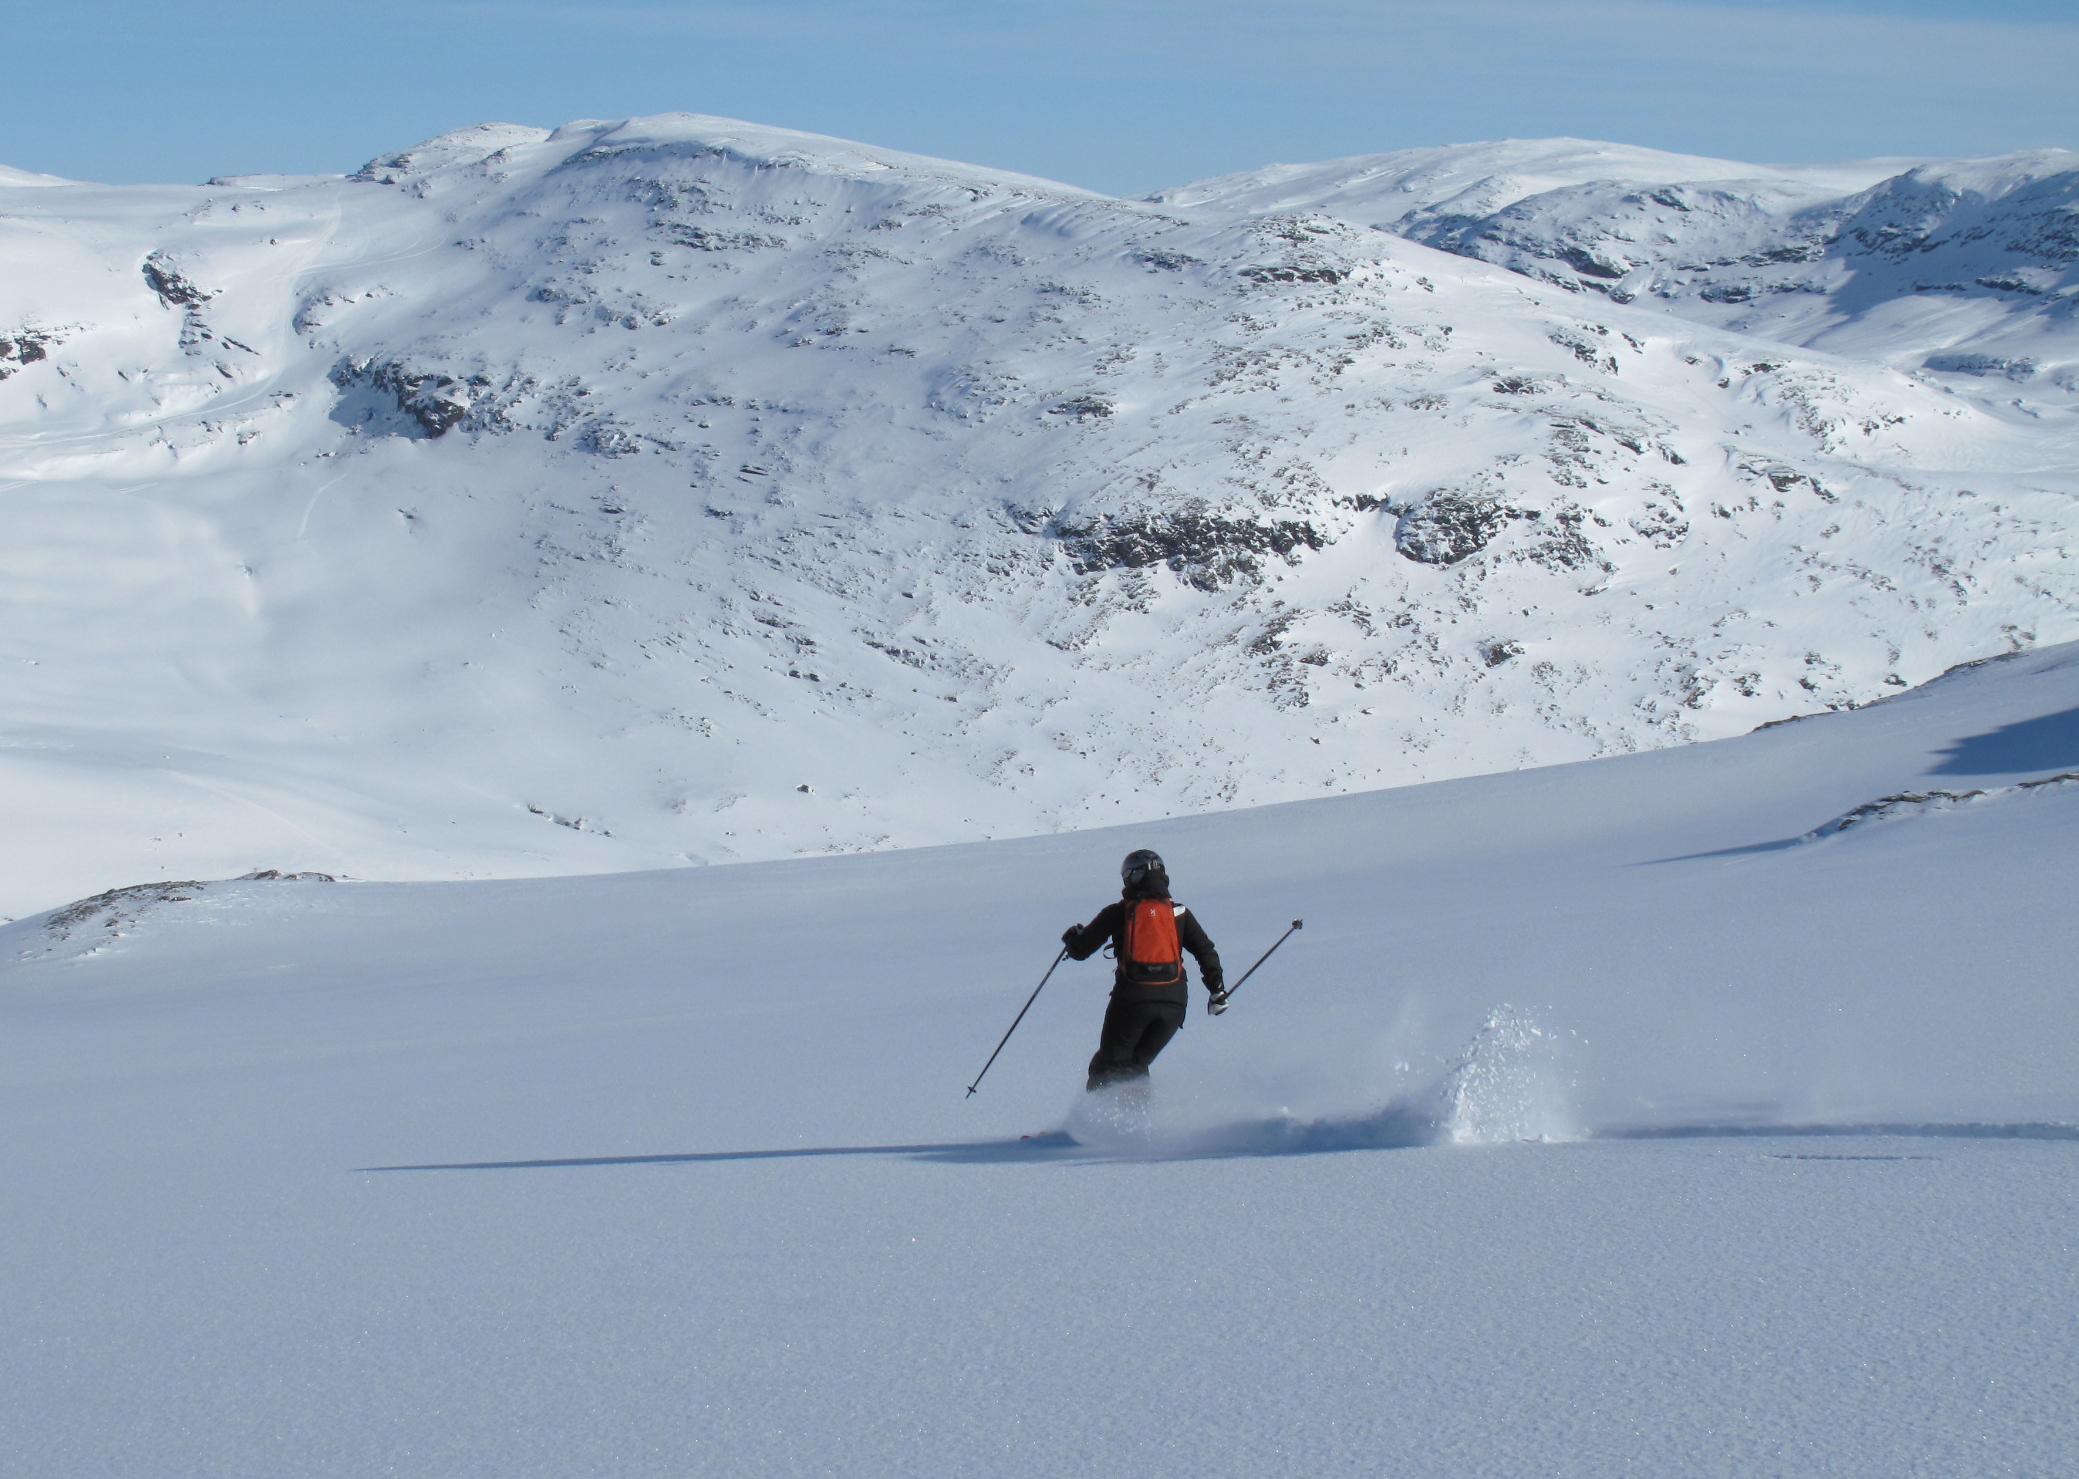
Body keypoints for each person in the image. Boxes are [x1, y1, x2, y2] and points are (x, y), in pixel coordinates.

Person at [1062, 849, 1225, 1093]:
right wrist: (1217, 992)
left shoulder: (1118, 912)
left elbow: (1081, 950)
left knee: (1109, 1063)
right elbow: (1206, 951)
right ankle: (1139, 1120)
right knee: (1137, 1064)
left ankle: (1099, 1122)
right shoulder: (1178, 912)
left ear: (1130, 877)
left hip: (1133, 1001)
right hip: (1174, 1005)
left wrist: (1072, 938)